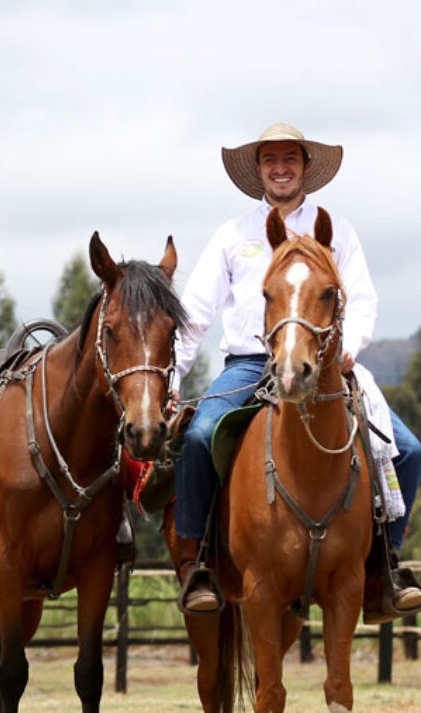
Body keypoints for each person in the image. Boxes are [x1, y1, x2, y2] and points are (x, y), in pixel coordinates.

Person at [170, 122, 421, 615]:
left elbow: (362, 298)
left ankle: (382, 570)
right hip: (249, 363)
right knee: (199, 438)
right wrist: (174, 380)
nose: (280, 168)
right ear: (259, 171)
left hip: (325, 364)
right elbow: (194, 315)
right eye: (271, 160)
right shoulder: (232, 235)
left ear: (305, 167)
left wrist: (349, 346)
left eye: (290, 159)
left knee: (408, 450)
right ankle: (195, 562)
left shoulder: (336, 231)